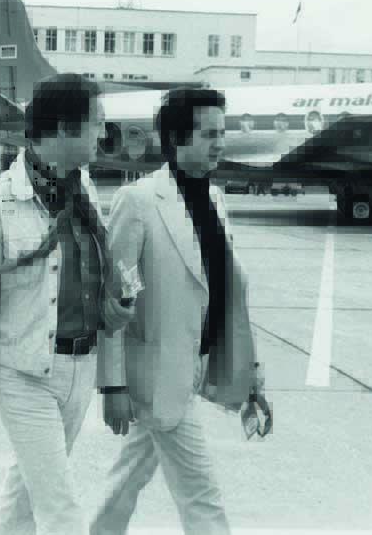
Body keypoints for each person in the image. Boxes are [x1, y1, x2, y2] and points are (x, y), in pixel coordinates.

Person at [0, 73, 132, 535]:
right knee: (60, 511)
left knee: (26, 494)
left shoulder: (83, 190)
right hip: (24, 372)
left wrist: (113, 382)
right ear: (66, 129)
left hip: (79, 368)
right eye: (96, 123)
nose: (103, 135)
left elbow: (102, 281)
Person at [91, 88, 271, 535]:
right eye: (208, 134)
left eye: (221, 133)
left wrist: (250, 376)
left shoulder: (214, 199)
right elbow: (115, 298)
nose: (219, 143)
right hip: (155, 374)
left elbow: (224, 295)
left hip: (193, 367)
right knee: (201, 494)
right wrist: (113, 384)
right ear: (175, 139)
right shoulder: (138, 202)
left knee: (129, 477)